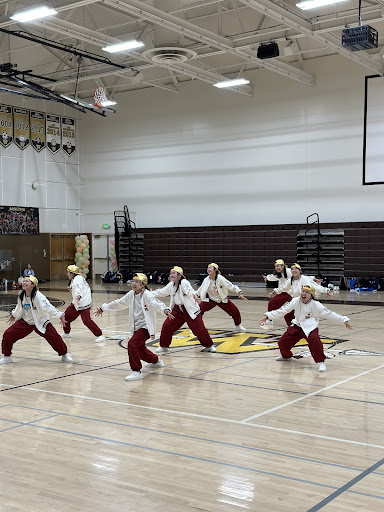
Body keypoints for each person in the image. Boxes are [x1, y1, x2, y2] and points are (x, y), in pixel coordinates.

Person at [95, 273, 173, 381]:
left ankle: (136, 371)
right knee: (140, 350)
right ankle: (156, 361)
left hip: (145, 327)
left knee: (131, 344)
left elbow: (156, 304)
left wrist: (165, 310)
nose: (134, 284)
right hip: (136, 328)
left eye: (137, 282)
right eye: (133, 281)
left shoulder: (147, 295)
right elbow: (119, 302)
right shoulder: (131, 294)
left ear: (142, 284)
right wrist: (104, 308)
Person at [259, 284, 352, 372]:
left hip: (310, 327)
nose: (304, 293)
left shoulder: (316, 305)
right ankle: (286, 356)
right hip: (297, 325)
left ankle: (321, 362)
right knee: (282, 342)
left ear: (311, 295)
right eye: (303, 291)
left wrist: (343, 320)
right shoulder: (295, 300)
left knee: (315, 341)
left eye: (307, 292)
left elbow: (329, 314)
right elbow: (282, 311)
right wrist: (268, 316)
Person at [0, 276, 72, 364]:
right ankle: (7, 357)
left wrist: (60, 315)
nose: (24, 283)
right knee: (7, 335)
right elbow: (18, 308)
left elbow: (48, 307)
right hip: (25, 322)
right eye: (24, 281)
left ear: (33, 285)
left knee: (55, 338)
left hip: (41, 321)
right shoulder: (21, 295)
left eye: (27, 281)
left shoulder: (38, 296)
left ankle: (64, 355)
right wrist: (13, 315)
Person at [151, 266, 216, 353]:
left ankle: (209, 346)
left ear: (179, 275)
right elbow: (161, 292)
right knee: (167, 326)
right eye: (171, 273)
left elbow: (190, 291)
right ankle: (163, 346)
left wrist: (195, 296)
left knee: (199, 330)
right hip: (177, 310)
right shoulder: (171, 285)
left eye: (173, 273)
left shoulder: (184, 282)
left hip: (190, 311)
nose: (171, 275)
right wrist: (148, 294)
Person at [262, 263, 333, 330]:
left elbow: (316, 287)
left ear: (300, 271)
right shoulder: (290, 280)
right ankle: (294, 329)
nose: (294, 270)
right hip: (296, 301)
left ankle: (307, 329)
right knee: (288, 315)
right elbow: (283, 287)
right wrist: (275, 292)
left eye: (296, 269)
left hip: (306, 302)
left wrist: (326, 291)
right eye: (292, 269)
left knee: (307, 318)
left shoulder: (305, 279)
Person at [194, 263, 247, 332]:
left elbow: (230, 286)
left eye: (210, 268)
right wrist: (195, 294)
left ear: (215, 270)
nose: (208, 269)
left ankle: (238, 326)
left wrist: (240, 292)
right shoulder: (206, 279)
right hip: (210, 300)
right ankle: (197, 327)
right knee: (198, 311)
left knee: (235, 311)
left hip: (222, 299)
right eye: (208, 268)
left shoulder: (220, 278)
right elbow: (200, 289)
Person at [61, 265, 104, 343]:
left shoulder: (77, 280)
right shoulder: (76, 279)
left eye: (68, 272)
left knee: (86, 321)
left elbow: (78, 289)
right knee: (66, 317)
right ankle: (66, 333)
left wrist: (78, 296)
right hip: (76, 303)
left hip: (83, 303)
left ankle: (100, 335)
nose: (67, 274)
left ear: (72, 273)